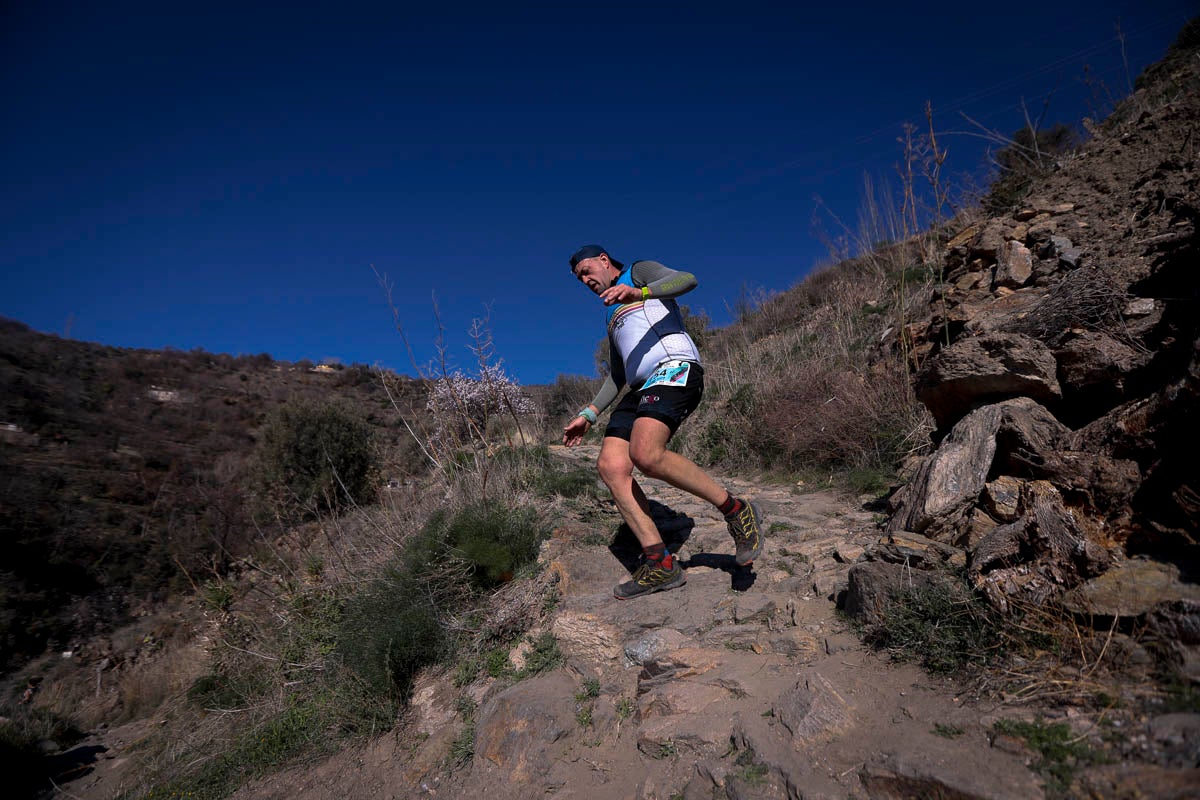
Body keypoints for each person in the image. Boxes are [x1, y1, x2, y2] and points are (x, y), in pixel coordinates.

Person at [561, 244, 765, 599]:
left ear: (605, 261)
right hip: (638, 388)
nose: (585, 279)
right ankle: (661, 565)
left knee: (646, 453)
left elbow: (687, 280)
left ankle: (737, 510)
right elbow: (619, 373)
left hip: (674, 368)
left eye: (587, 270)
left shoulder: (638, 272)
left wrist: (639, 290)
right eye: (579, 278)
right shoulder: (611, 313)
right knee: (611, 466)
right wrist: (589, 414)